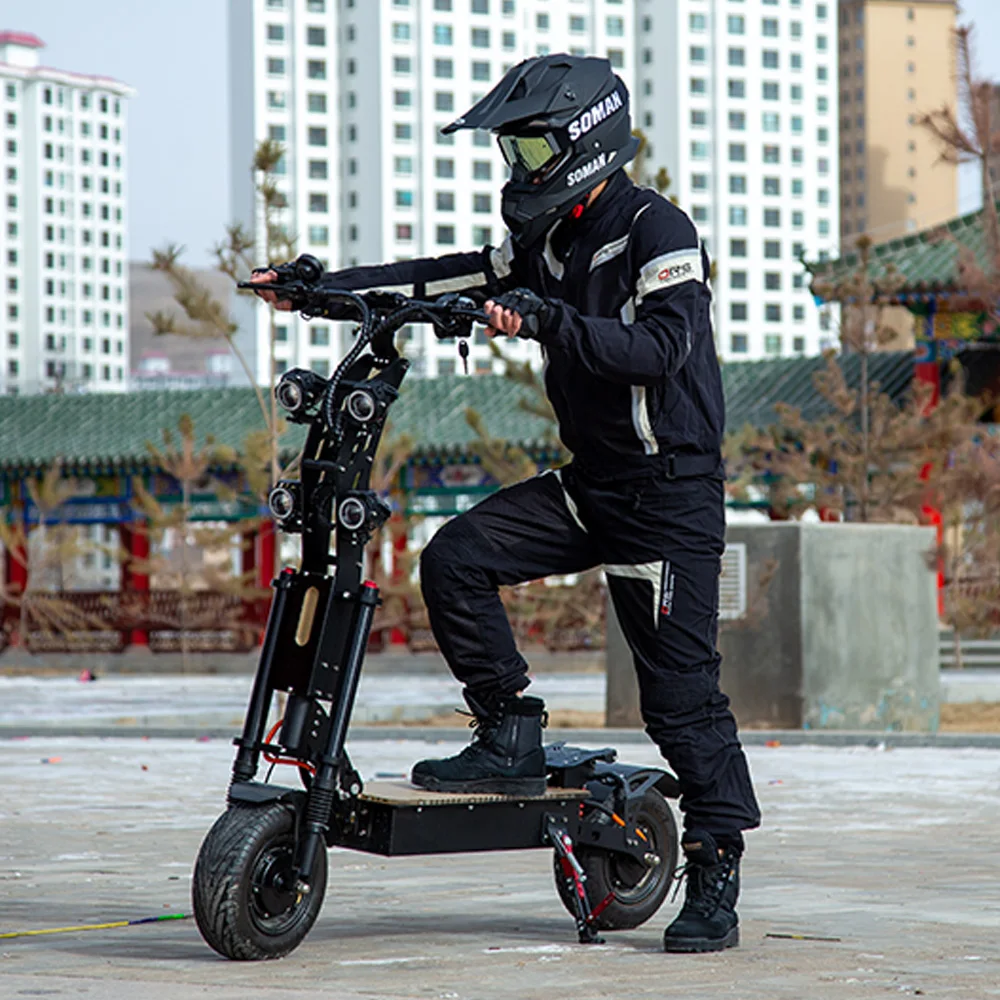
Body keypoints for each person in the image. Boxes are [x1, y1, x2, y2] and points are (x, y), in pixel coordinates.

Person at [252, 54, 761, 954]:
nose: (516, 167)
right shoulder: (543, 242)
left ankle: (716, 864)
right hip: (593, 483)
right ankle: (509, 727)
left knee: (680, 701)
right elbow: (447, 277)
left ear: (584, 142)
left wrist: (547, 319)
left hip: (670, 496)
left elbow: (663, 349)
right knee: (455, 559)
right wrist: (323, 291)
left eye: (529, 149)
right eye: (511, 151)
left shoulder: (655, 229)